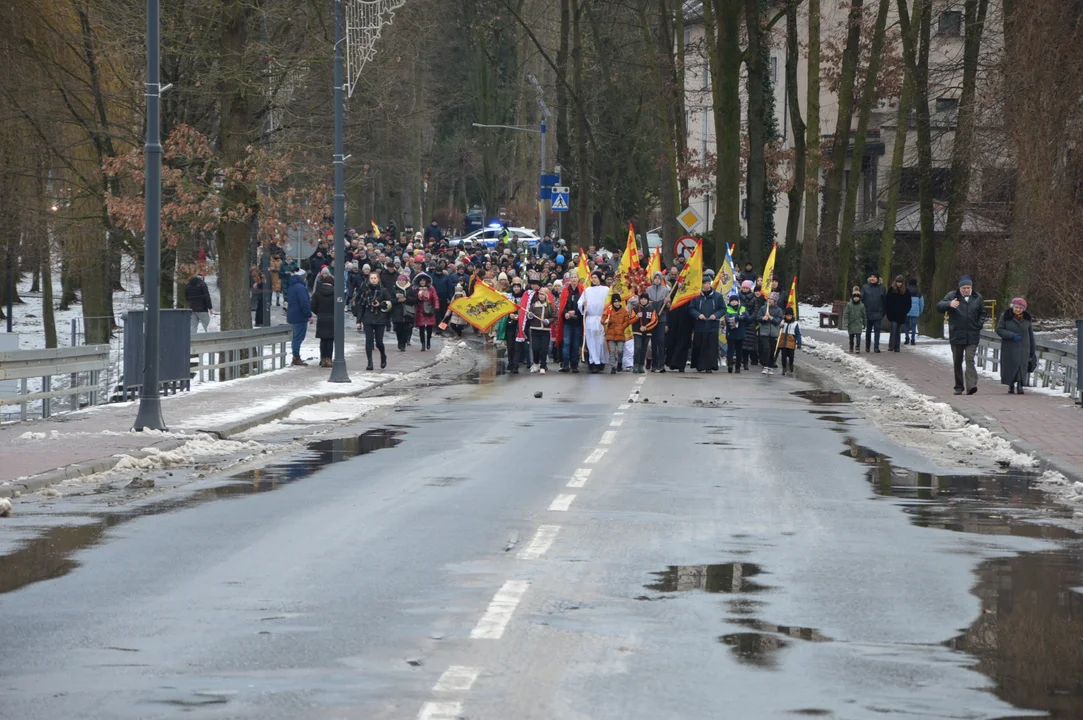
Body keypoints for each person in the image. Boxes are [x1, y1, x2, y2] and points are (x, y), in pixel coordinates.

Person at [935, 275, 987, 395]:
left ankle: (971, 386)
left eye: (968, 287)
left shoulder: (977, 297)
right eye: (964, 288)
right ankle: (959, 387)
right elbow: (939, 307)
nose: (966, 290)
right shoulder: (952, 296)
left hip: (972, 335)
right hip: (957, 335)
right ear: (959, 288)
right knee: (957, 361)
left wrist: (979, 324)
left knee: (969, 359)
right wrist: (949, 304)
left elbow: (982, 312)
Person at [995, 297, 1036, 395]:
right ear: (1012, 307)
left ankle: (1020, 385)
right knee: (1011, 365)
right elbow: (999, 330)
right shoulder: (1005, 316)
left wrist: (1032, 350)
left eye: (1020, 308)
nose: (1018, 310)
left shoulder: (1027, 318)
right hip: (1009, 346)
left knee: (1021, 366)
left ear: (1024, 309)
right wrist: (1011, 335)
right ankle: (1011, 384)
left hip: (1023, 346)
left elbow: (1030, 334)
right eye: (1016, 307)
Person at [688, 275, 726, 373]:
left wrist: (716, 315)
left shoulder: (717, 296)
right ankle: (699, 365)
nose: (705, 285)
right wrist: (698, 315)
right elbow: (691, 308)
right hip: (700, 325)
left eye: (707, 283)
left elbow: (723, 309)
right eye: (703, 283)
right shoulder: (696, 296)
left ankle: (710, 366)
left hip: (712, 325)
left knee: (711, 347)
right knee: (699, 346)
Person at [358, 271, 392, 370]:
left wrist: (380, 304)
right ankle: (370, 362)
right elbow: (361, 306)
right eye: (371, 278)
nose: (373, 280)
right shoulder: (365, 291)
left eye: (375, 278)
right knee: (369, 341)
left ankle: (383, 355)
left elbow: (389, 303)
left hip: (380, 318)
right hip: (368, 318)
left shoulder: (383, 290)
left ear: (378, 279)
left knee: (379, 342)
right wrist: (358, 320)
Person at [578, 272, 611, 373]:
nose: (593, 279)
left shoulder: (606, 290)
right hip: (590, 320)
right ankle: (593, 361)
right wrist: (583, 305)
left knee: (600, 341)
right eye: (592, 278)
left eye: (595, 277)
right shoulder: (587, 290)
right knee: (591, 341)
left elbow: (610, 301)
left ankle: (600, 361)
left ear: (600, 278)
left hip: (600, 320)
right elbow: (580, 303)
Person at [523, 274, 553, 373]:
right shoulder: (533, 305)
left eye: (543, 294)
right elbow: (528, 315)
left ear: (546, 296)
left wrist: (548, 321)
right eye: (540, 294)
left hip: (545, 330)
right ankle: (536, 363)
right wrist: (529, 316)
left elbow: (554, 317)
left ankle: (543, 366)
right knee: (535, 348)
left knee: (544, 349)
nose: (541, 296)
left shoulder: (549, 306)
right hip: (535, 329)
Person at [602, 293, 634, 374]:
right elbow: (602, 321)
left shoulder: (624, 311)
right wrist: (606, 321)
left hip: (620, 334)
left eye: (618, 301)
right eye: (615, 302)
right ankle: (613, 366)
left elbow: (627, 321)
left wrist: (621, 327)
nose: (617, 303)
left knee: (620, 351)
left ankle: (619, 362)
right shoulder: (609, 311)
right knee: (612, 351)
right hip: (611, 334)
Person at [284, 269, 311, 366]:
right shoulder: (301, 288)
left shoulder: (292, 286)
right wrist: (308, 314)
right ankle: (296, 356)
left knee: (296, 337)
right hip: (299, 316)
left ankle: (296, 355)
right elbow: (304, 302)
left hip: (292, 314)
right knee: (298, 337)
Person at [310, 268, 336, 367]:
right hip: (332, 317)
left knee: (323, 339)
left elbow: (312, 306)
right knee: (330, 339)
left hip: (321, 318)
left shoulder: (317, 293)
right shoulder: (335, 293)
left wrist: (319, 313)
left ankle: (323, 359)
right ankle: (329, 359)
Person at [557, 276, 583, 373]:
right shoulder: (565, 291)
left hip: (577, 321)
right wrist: (566, 313)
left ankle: (574, 364)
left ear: (578, 279)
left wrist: (575, 312)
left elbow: (583, 306)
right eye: (571, 277)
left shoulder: (581, 290)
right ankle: (565, 363)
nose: (573, 279)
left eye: (575, 277)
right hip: (567, 321)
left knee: (576, 343)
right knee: (566, 342)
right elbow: (562, 305)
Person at [646, 272, 669, 372]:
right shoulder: (649, 289)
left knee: (661, 341)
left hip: (661, 318)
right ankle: (654, 365)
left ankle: (661, 364)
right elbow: (645, 303)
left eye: (659, 278)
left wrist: (666, 303)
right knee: (653, 341)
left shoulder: (665, 290)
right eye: (655, 278)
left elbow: (669, 306)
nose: (657, 280)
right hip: (652, 318)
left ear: (661, 279)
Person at [757, 292, 783, 375]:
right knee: (766, 348)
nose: (770, 301)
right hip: (764, 332)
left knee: (772, 350)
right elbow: (758, 318)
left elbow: (778, 321)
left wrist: (770, 317)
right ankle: (765, 365)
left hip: (774, 333)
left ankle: (770, 366)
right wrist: (763, 318)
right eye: (769, 299)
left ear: (775, 301)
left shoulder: (779, 310)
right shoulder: (763, 308)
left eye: (771, 299)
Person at [631, 292, 657, 374]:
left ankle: (641, 365)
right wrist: (636, 317)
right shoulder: (635, 309)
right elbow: (630, 320)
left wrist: (646, 327)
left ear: (647, 300)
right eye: (641, 299)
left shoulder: (652, 309)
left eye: (645, 299)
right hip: (637, 332)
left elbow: (654, 321)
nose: (643, 300)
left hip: (647, 332)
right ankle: (635, 364)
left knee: (644, 350)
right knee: (638, 348)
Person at [885, 275, 911, 353]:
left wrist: (905, 311)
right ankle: (891, 346)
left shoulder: (906, 291)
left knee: (898, 331)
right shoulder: (891, 290)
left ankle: (897, 346)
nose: (899, 284)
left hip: (901, 314)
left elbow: (908, 303)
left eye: (900, 282)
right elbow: (887, 302)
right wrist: (888, 312)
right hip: (893, 314)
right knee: (893, 329)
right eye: (897, 282)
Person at [413, 272, 440, 351]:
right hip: (420, 310)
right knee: (421, 328)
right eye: (420, 280)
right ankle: (423, 344)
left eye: (423, 280)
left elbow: (435, 298)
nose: (422, 282)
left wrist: (436, 307)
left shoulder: (431, 288)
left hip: (429, 309)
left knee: (429, 328)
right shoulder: (415, 289)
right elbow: (413, 298)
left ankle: (428, 340)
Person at [861, 273, 887, 352]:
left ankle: (876, 347)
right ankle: (867, 346)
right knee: (868, 331)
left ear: (878, 279)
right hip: (868, 312)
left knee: (877, 331)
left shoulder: (882, 288)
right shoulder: (865, 287)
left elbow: (884, 301)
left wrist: (883, 311)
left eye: (874, 277)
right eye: (871, 277)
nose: (872, 278)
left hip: (878, 312)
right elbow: (862, 299)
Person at [389, 273, 415, 351]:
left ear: (406, 281)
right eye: (400, 280)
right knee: (398, 329)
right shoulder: (394, 288)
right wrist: (397, 300)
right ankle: (400, 342)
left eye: (403, 280)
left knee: (406, 329)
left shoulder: (410, 288)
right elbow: (390, 299)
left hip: (407, 312)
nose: (401, 282)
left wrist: (406, 299)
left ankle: (403, 344)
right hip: (397, 312)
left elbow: (415, 299)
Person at [724, 295, 749, 373]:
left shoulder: (742, 308)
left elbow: (748, 318)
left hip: (740, 332)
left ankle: (738, 366)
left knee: (739, 350)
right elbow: (727, 318)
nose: (734, 302)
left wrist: (736, 317)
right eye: (732, 301)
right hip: (730, 332)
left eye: (735, 301)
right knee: (730, 349)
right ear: (730, 302)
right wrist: (739, 317)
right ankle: (730, 364)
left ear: (738, 301)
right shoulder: (727, 308)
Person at [505, 277, 526, 373]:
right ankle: (510, 363)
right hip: (510, 324)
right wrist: (510, 314)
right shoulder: (509, 297)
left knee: (517, 345)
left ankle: (515, 365)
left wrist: (519, 316)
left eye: (518, 287)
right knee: (510, 346)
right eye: (515, 287)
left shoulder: (524, 298)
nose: (516, 289)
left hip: (520, 324)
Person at [737, 281, 760, 367]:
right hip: (741, 321)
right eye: (744, 288)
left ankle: (747, 361)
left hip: (750, 323)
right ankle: (742, 360)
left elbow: (756, 310)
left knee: (749, 343)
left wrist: (750, 318)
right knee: (741, 343)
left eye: (747, 288)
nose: (745, 290)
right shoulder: (738, 296)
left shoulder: (753, 298)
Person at [777, 307, 803, 376]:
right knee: (783, 356)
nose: (788, 317)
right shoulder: (782, 322)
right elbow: (778, 330)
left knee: (791, 355)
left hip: (791, 343)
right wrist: (780, 327)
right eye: (787, 316)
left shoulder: (795, 324)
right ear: (785, 316)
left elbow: (798, 334)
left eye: (790, 316)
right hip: (783, 342)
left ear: (792, 316)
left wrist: (799, 342)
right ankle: (784, 368)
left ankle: (791, 364)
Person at [842, 286, 866, 353]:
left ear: (859, 297)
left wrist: (864, 323)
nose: (856, 298)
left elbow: (864, 315)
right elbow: (846, 314)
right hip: (851, 323)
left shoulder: (862, 306)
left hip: (858, 323)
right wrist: (846, 322)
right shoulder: (849, 305)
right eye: (855, 297)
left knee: (858, 336)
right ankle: (851, 346)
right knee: (851, 336)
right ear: (852, 297)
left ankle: (857, 347)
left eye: (857, 297)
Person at [905, 279, 924, 345]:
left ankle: (907, 338)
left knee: (906, 325)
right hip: (915, 312)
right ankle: (913, 339)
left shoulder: (905, 292)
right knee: (913, 326)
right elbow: (922, 304)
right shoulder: (918, 293)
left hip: (906, 311)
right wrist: (920, 312)